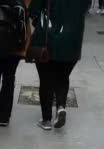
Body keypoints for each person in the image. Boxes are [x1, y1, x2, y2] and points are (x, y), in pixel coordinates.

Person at [29, 0, 87, 130]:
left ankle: (46, 120)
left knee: (45, 79)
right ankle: (60, 107)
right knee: (62, 76)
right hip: (73, 41)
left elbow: (33, 10)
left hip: (47, 39)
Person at [0, 0, 32, 127]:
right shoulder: (21, 2)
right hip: (15, 47)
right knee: (9, 78)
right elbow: (26, 23)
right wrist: (26, 47)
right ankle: (3, 116)